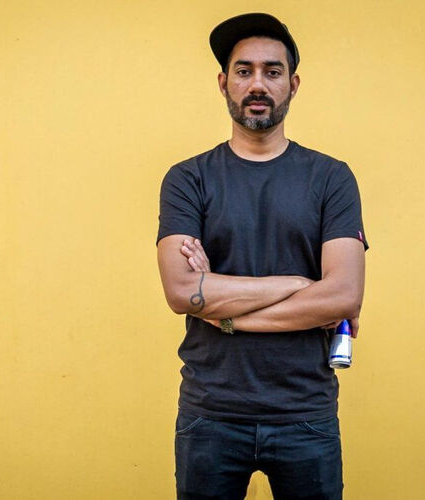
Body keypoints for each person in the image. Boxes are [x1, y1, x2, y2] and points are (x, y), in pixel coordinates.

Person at [156, 12, 368, 500]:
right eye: (244, 70)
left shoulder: (331, 178)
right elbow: (182, 291)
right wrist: (299, 285)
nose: (257, 84)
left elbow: (343, 296)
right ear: (223, 83)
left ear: (293, 84)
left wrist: (223, 312)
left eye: (272, 72)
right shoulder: (188, 179)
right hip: (211, 413)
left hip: (305, 414)